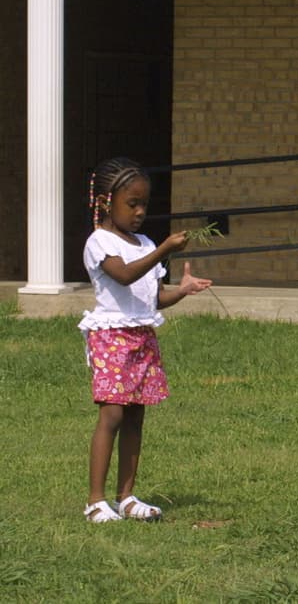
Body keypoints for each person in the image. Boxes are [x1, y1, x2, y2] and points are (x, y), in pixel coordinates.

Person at [80, 157, 213, 522]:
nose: (139, 212)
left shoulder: (144, 242)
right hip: (111, 338)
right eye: (131, 203)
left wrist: (183, 290)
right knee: (112, 414)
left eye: (144, 205)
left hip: (142, 336)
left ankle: (127, 497)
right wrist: (164, 250)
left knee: (136, 415)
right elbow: (122, 276)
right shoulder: (100, 241)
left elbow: (154, 298)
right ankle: (95, 499)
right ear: (107, 202)